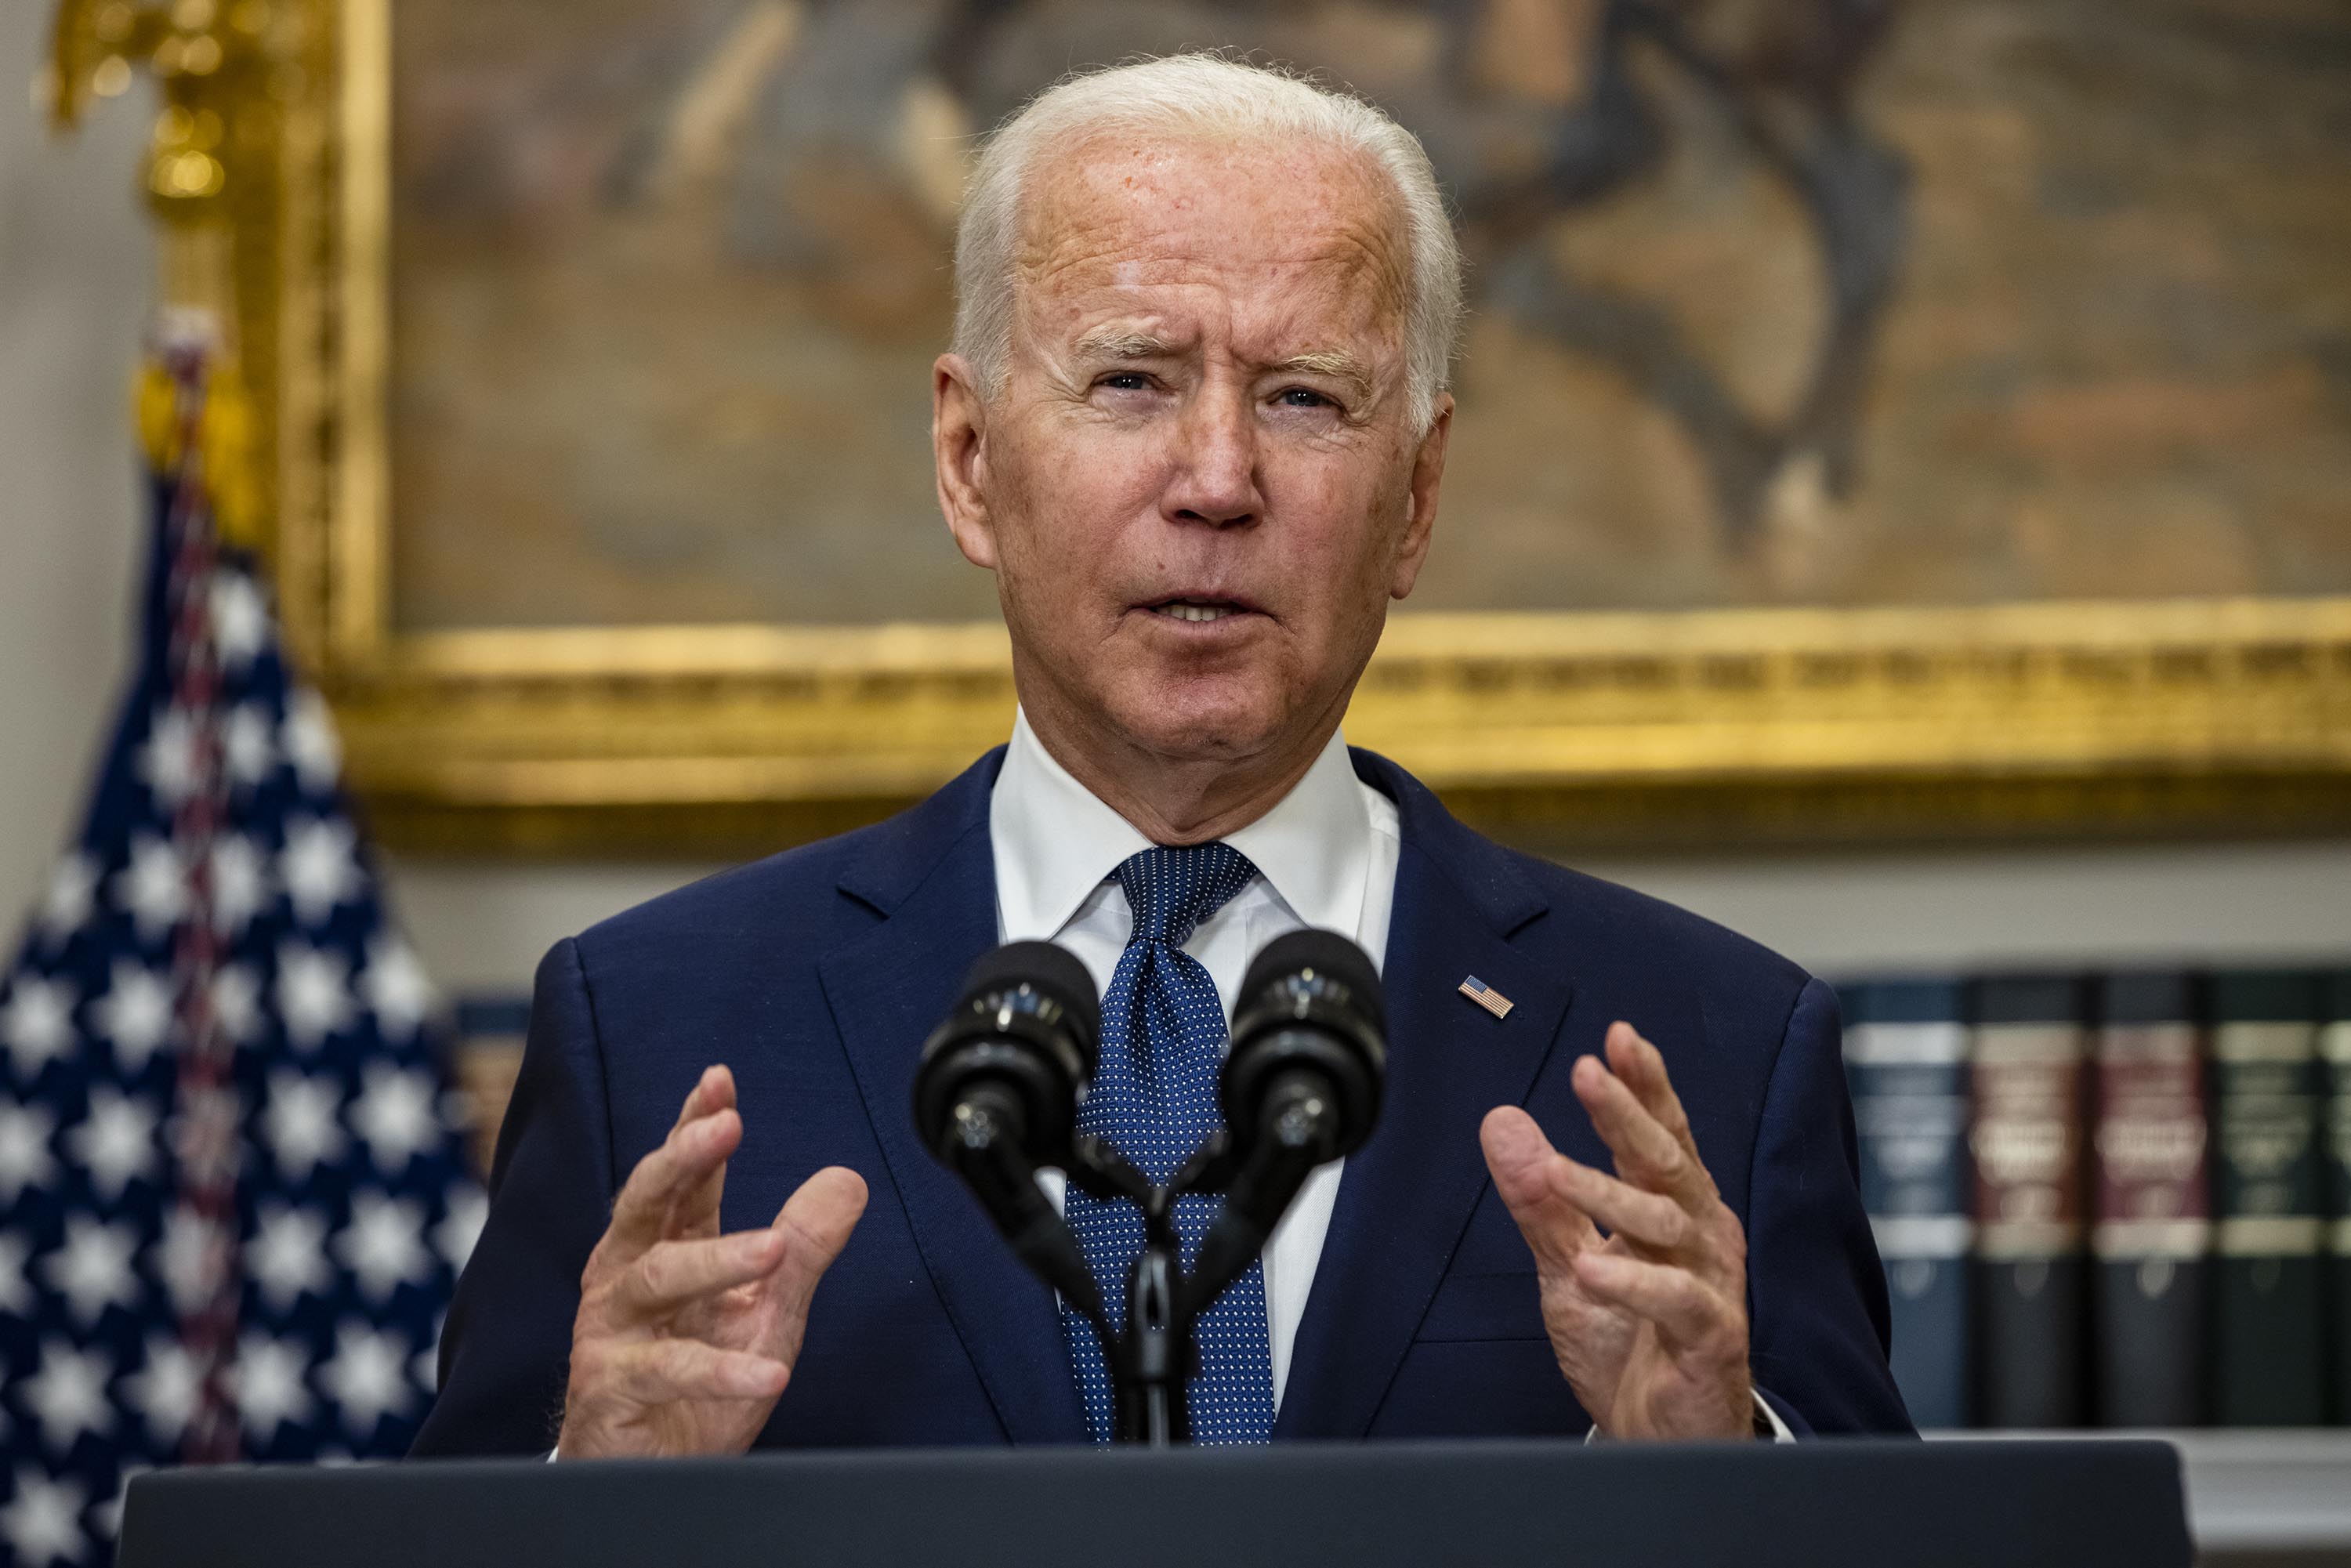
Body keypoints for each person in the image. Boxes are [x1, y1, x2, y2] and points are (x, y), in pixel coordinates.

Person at [410, 53, 1911, 1459]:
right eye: (1131, 379)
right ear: (970, 462)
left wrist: (1731, 1478)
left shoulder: (1713, 1049)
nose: (1217, 480)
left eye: (1304, 397)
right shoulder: (658, 1029)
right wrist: (584, 1496)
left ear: (1421, 496)